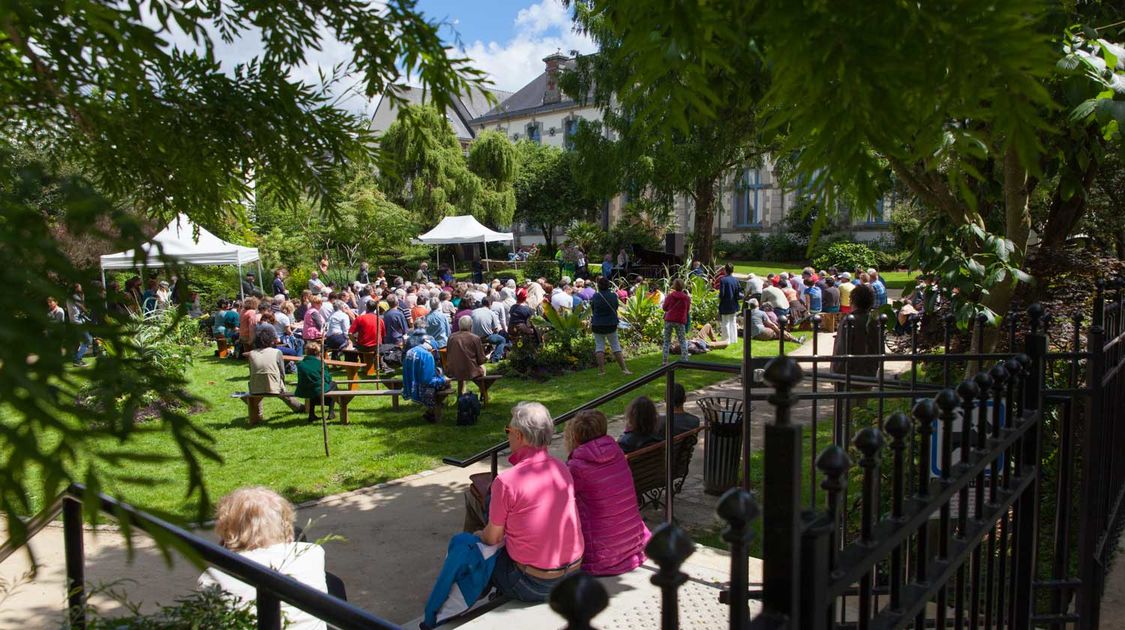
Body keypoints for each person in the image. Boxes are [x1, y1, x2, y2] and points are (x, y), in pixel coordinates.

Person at [467, 402, 584, 603]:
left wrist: (477, 535)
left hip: (534, 583)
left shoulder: (506, 482)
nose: (508, 436)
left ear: (519, 435)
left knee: (475, 548)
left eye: (508, 431)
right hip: (573, 574)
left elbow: (492, 539)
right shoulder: (561, 469)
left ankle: (468, 598)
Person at [198, 487, 328, 630]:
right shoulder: (312, 553)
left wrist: (227, 552)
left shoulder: (213, 578)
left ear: (226, 529)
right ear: (286, 522)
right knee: (333, 585)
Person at [564, 410, 650, 576]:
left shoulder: (576, 467)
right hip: (633, 544)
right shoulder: (617, 454)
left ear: (575, 437)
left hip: (600, 557)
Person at [246, 327, 304, 416]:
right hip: (274, 386)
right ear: (271, 340)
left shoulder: (251, 353)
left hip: (256, 387)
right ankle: (299, 407)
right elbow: (282, 372)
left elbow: (251, 371)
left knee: (257, 392)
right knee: (282, 391)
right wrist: (283, 384)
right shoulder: (277, 352)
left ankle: (258, 414)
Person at [589, 277, 631, 377]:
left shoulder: (596, 296)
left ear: (598, 286)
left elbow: (593, 308)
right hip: (611, 324)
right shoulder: (613, 295)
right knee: (616, 346)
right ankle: (624, 369)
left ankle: (601, 371)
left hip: (597, 324)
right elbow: (616, 307)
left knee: (599, 347)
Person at [295, 341, 336, 421]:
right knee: (333, 384)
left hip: (303, 390)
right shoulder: (320, 363)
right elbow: (328, 378)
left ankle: (311, 414)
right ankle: (331, 412)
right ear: (318, 352)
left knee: (313, 387)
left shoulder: (300, 364)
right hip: (316, 389)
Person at [446, 316, 487, 382]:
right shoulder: (475, 338)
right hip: (471, 371)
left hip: (453, 371)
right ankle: (483, 390)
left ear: (459, 325)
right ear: (471, 326)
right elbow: (481, 360)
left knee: (462, 368)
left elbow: (448, 353)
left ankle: (461, 391)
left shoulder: (451, 337)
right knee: (483, 367)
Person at [662, 277, 691, 364]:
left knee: (666, 340)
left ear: (674, 286)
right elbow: (688, 310)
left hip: (669, 319)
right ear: (683, 286)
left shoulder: (670, 296)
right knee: (682, 340)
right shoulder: (686, 298)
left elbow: (664, 308)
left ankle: (664, 360)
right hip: (680, 320)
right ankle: (685, 359)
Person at [65, 284, 95, 365]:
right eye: (80, 287)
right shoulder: (75, 296)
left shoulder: (69, 297)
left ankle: (76, 359)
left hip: (73, 322)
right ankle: (78, 359)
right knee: (88, 340)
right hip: (78, 322)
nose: (81, 288)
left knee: (76, 342)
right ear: (76, 288)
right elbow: (82, 307)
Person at [717, 263, 743, 343]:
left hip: (725, 304)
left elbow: (722, 293)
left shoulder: (723, 280)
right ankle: (734, 339)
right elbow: (739, 291)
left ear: (725, 270)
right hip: (734, 304)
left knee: (725, 322)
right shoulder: (735, 280)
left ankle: (726, 340)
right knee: (733, 321)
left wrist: (719, 299)